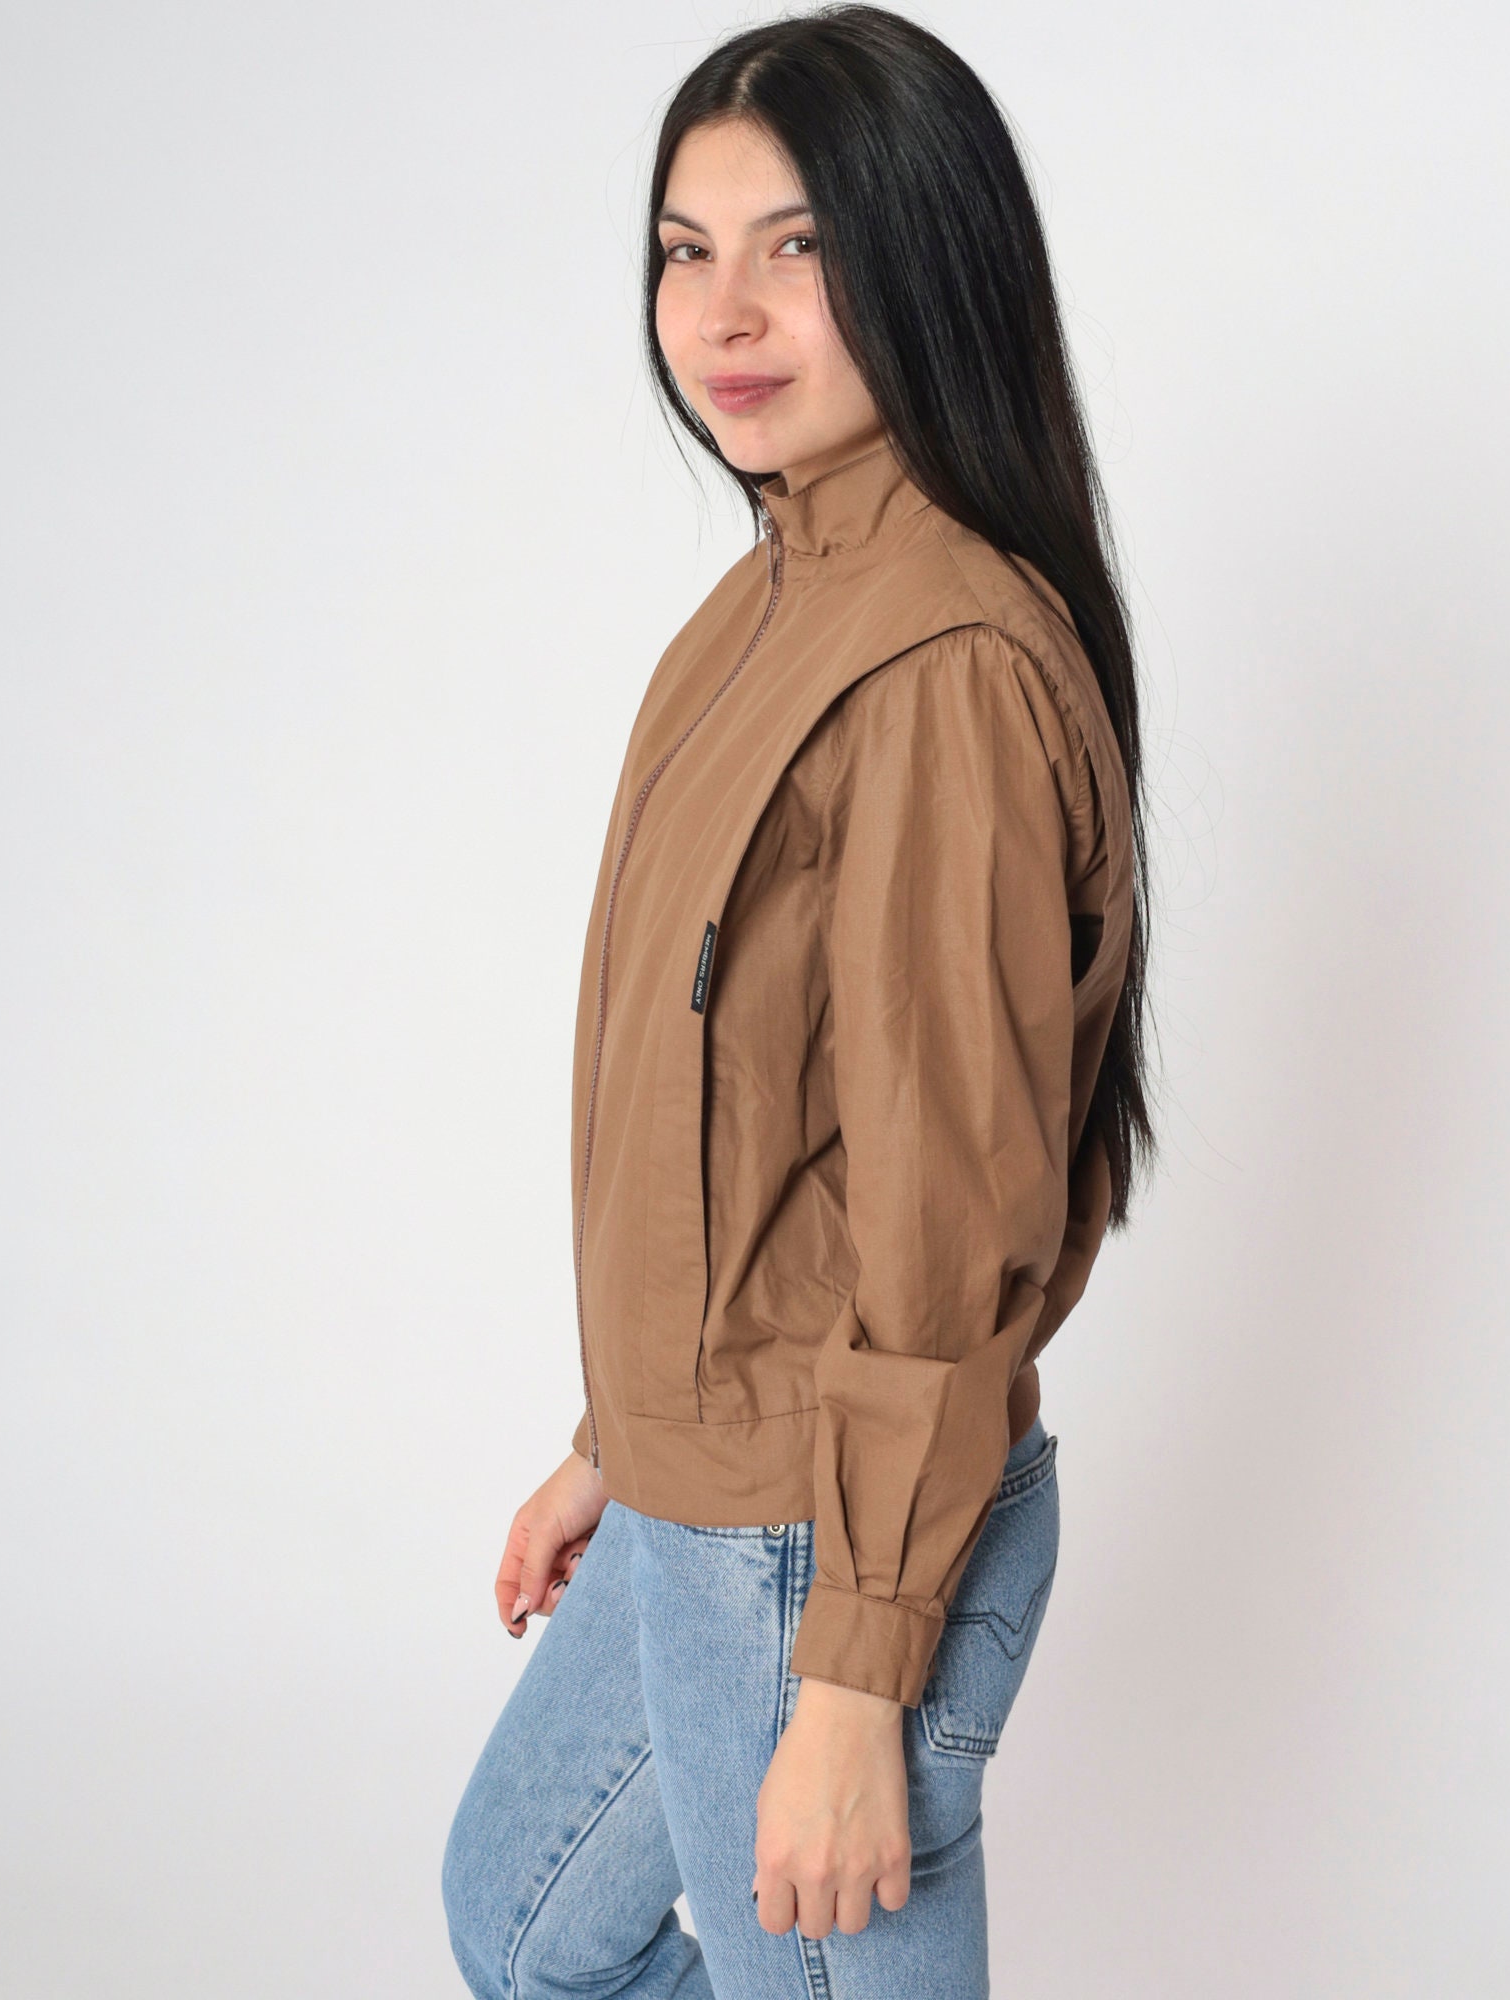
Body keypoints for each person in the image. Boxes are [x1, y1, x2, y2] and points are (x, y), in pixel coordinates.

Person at [443, 7, 1155, 1994]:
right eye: (688, 248)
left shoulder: (935, 664)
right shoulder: (769, 604)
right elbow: (744, 1121)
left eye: (800, 245)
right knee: (523, 1916)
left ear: (925, 256)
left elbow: (947, 1212)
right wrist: (622, 1438)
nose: (724, 310)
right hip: (713, 1491)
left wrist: (856, 1674)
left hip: (821, 1542)